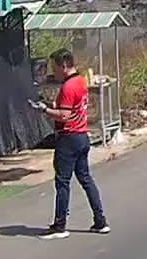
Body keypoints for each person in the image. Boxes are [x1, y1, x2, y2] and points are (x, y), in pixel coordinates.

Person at [37, 49, 108, 239]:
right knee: (85, 178)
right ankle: (100, 221)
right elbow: (70, 108)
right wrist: (52, 106)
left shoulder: (68, 86)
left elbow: (64, 115)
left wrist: (44, 110)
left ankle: (60, 226)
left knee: (62, 182)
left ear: (64, 66)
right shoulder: (81, 81)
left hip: (68, 138)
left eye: (55, 68)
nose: (54, 72)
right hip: (81, 136)